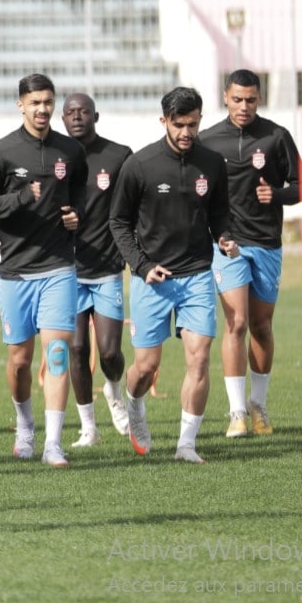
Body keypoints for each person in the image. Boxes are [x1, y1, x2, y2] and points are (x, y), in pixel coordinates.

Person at [109, 86, 236, 464]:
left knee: (199, 357)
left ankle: (186, 445)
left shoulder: (212, 163)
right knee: (146, 367)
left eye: (192, 124)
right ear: (163, 120)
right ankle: (134, 404)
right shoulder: (140, 165)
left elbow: (219, 213)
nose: (186, 132)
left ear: (200, 120)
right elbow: (118, 222)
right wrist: (143, 266)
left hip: (197, 274)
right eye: (179, 124)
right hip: (153, 279)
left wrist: (224, 237)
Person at [0, 74, 86, 467]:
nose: (42, 109)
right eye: (35, 103)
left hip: (58, 265)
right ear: (20, 105)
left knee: (57, 353)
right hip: (15, 269)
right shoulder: (1, 152)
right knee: (20, 361)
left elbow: (80, 196)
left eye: (47, 102)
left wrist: (77, 216)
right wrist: (22, 197)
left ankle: (53, 444)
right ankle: (25, 425)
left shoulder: (70, 150)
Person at [199, 69, 301, 438]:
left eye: (251, 100)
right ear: (225, 97)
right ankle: (237, 412)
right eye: (238, 99)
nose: (244, 106)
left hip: (267, 243)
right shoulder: (208, 141)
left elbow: (301, 185)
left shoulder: (276, 136)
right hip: (227, 244)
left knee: (260, 326)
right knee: (236, 322)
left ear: (260, 99)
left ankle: (258, 404)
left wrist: (277, 194)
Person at [61, 93, 133, 446]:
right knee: (76, 349)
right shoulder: (55, 158)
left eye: (84, 111)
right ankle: (88, 427)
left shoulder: (119, 156)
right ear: (62, 119)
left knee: (109, 353)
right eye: (70, 112)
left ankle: (114, 390)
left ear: (96, 116)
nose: (77, 117)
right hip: (67, 271)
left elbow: (133, 208)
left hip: (106, 269)